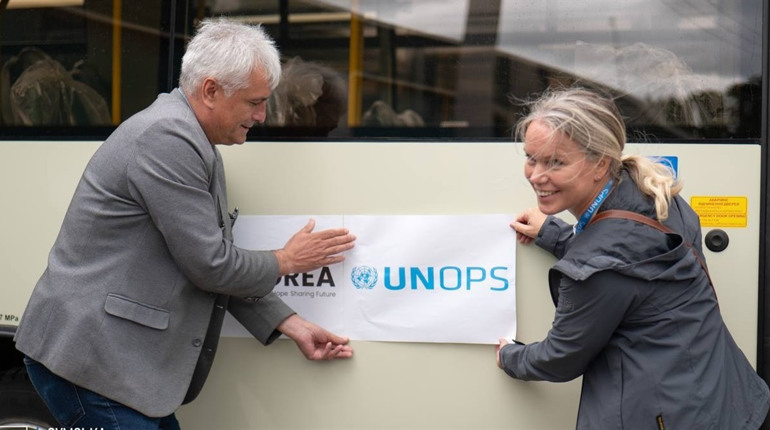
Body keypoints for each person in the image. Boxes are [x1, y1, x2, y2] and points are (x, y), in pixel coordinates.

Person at [14, 17, 356, 430]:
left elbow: (207, 260)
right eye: (254, 102)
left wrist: (289, 323)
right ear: (210, 90)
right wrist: (287, 260)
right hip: (95, 366)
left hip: (119, 369)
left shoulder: (189, 137)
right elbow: (210, 265)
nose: (263, 115)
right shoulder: (167, 138)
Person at [495, 87, 770, 429]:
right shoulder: (653, 194)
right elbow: (632, 262)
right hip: (724, 399)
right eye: (531, 158)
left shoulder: (596, 269)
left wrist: (511, 356)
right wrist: (555, 234)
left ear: (600, 164)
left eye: (556, 162)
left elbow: (560, 358)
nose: (536, 175)